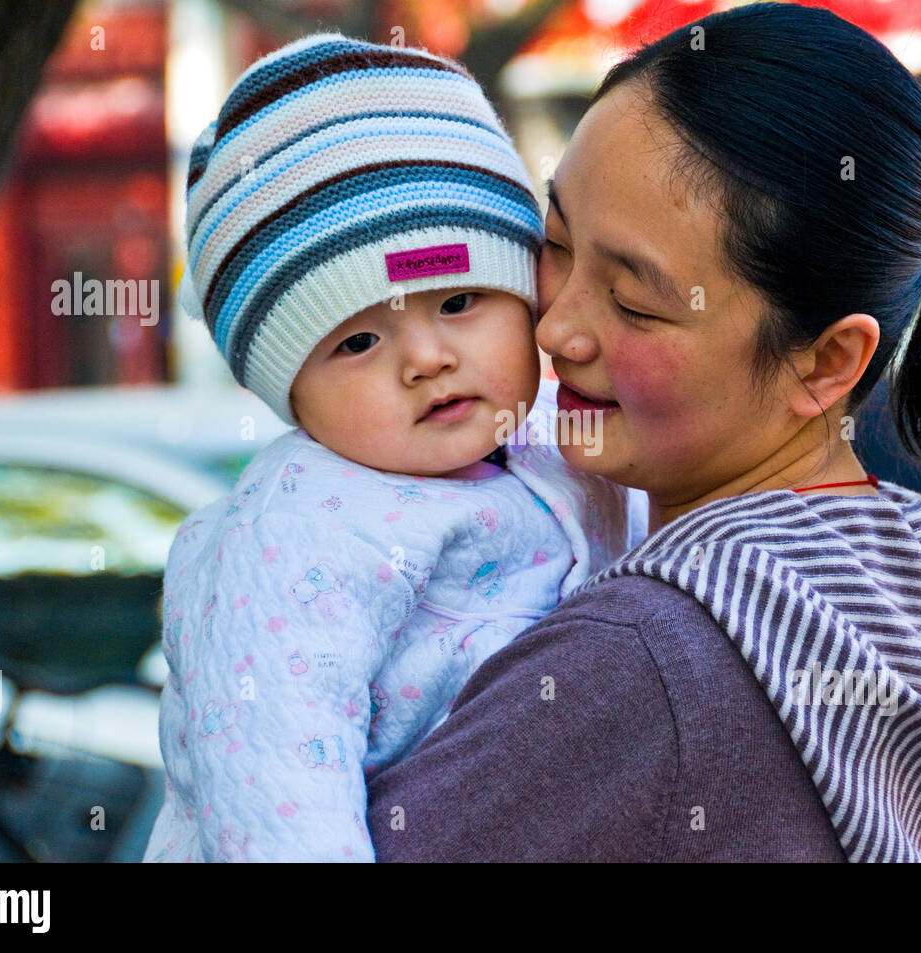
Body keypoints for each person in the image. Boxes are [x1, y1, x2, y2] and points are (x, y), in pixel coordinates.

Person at [366, 3, 921, 862]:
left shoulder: (640, 658)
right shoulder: (912, 587)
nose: (558, 330)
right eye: (558, 241)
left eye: (636, 302)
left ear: (828, 362)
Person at [142, 33, 629, 862]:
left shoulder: (563, 438)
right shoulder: (299, 528)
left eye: (461, 298)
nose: (426, 358)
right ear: (286, 386)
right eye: (359, 342)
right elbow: (272, 779)